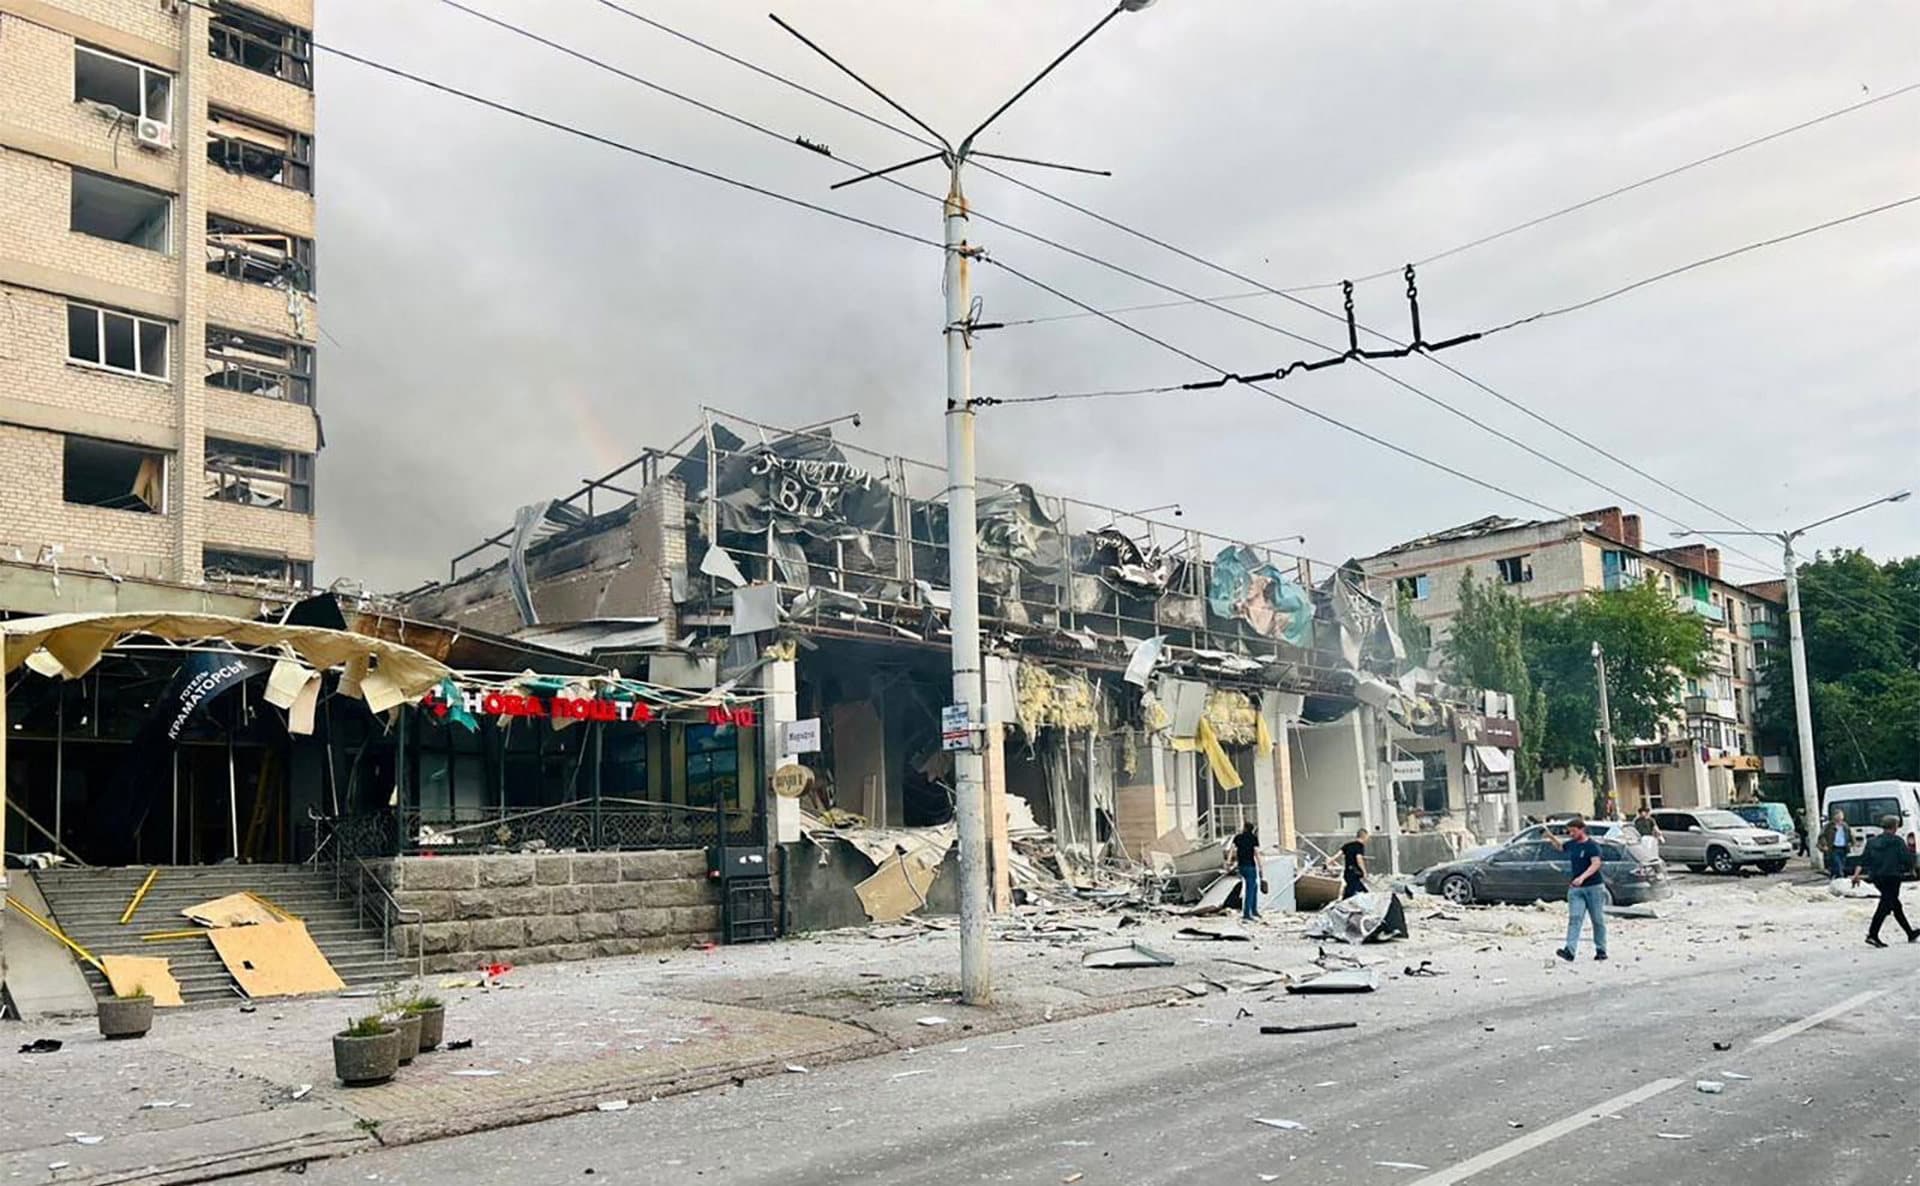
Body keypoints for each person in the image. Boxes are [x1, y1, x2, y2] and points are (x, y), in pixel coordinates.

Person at [1544, 817, 1608, 962]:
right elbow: (1561, 847)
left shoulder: (1592, 846)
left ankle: (1601, 949)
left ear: (1581, 830)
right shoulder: (1572, 844)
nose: (1571, 834)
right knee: (1575, 919)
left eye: (1573, 831)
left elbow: (1596, 864)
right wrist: (1551, 837)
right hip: (1576, 889)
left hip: (1594, 887)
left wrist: (1582, 877)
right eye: (1569, 832)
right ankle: (1569, 950)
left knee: (1597, 920)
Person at [1852, 814, 1918, 948]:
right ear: (1894, 827)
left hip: (1877, 877)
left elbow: (1863, 859)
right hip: (1892, 876)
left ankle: (1910, 932)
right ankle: (1872, 934)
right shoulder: (1897, 841)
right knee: (1885, 905)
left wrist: (1856, 875)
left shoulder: (1872, 842)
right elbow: (1906, 858)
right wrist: (1912, 868)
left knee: (1895, 905)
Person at [1229, 821, 1261, 920]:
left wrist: (1229, 861)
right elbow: (1256, 853)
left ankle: (1254, 910)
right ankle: (1247, 914)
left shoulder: (1238, 837)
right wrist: (1260, 866)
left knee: (1254, 886)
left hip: (1241, 866)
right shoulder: (1253, 838)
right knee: (1250, 890)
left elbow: (1232, 850)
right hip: (1250, 866)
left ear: (1245, 828)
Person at [1818, 810, 1852, 881]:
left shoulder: (1845, 826)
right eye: (1838, 816)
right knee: (1837, 864)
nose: (1840, 818)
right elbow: (1822, 836)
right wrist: (1824, 845)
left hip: (1843, 848)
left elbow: (1850, 835)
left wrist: (1851, 843)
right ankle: (1841, 878)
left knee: (1841, 864)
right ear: (1834, 816)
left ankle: (1834, 876)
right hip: (1833, 848)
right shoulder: (1829, 826)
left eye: (1841, 816)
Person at [1340, 828, 1370, 899]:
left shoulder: (1347, 845)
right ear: (1364, 836)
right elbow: (1359, 859)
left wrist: (1329, 862)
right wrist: (1364, 871)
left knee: (1360, 890)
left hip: (1347, 873)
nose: (1367, 840)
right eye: (1367, 838)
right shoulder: (1359, 846)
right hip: (1354, 873)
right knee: (1350, 893)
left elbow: (1337, 855)